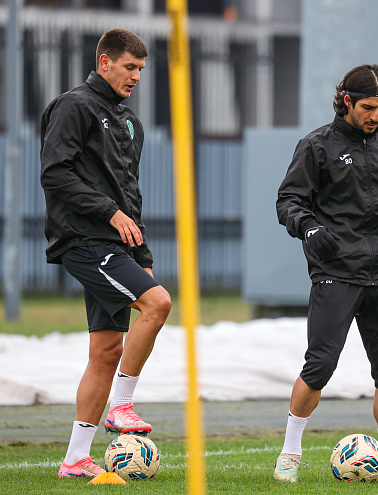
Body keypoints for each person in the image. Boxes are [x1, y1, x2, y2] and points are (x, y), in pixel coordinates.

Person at [273, 64, 378, 483]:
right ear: (347, 102)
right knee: (320, 365)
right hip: (337, 273)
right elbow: (288, 201)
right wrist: (309, 227)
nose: (376, 116)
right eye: (369, 108)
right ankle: (289, 454)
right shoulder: (316, 145)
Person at [40, 29, 172, 479]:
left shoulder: (129, 122)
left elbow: (129, 193)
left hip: (117, 244)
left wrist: (143, 253)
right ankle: (121, 406)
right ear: (104, 62)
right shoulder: (72, 106)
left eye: (140, 69)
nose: (136, 76)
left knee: (106, 351)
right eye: (129, 67)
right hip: (83, 239)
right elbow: (55, 173)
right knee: (158, 304)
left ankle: (76, 459)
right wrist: (110, 213)